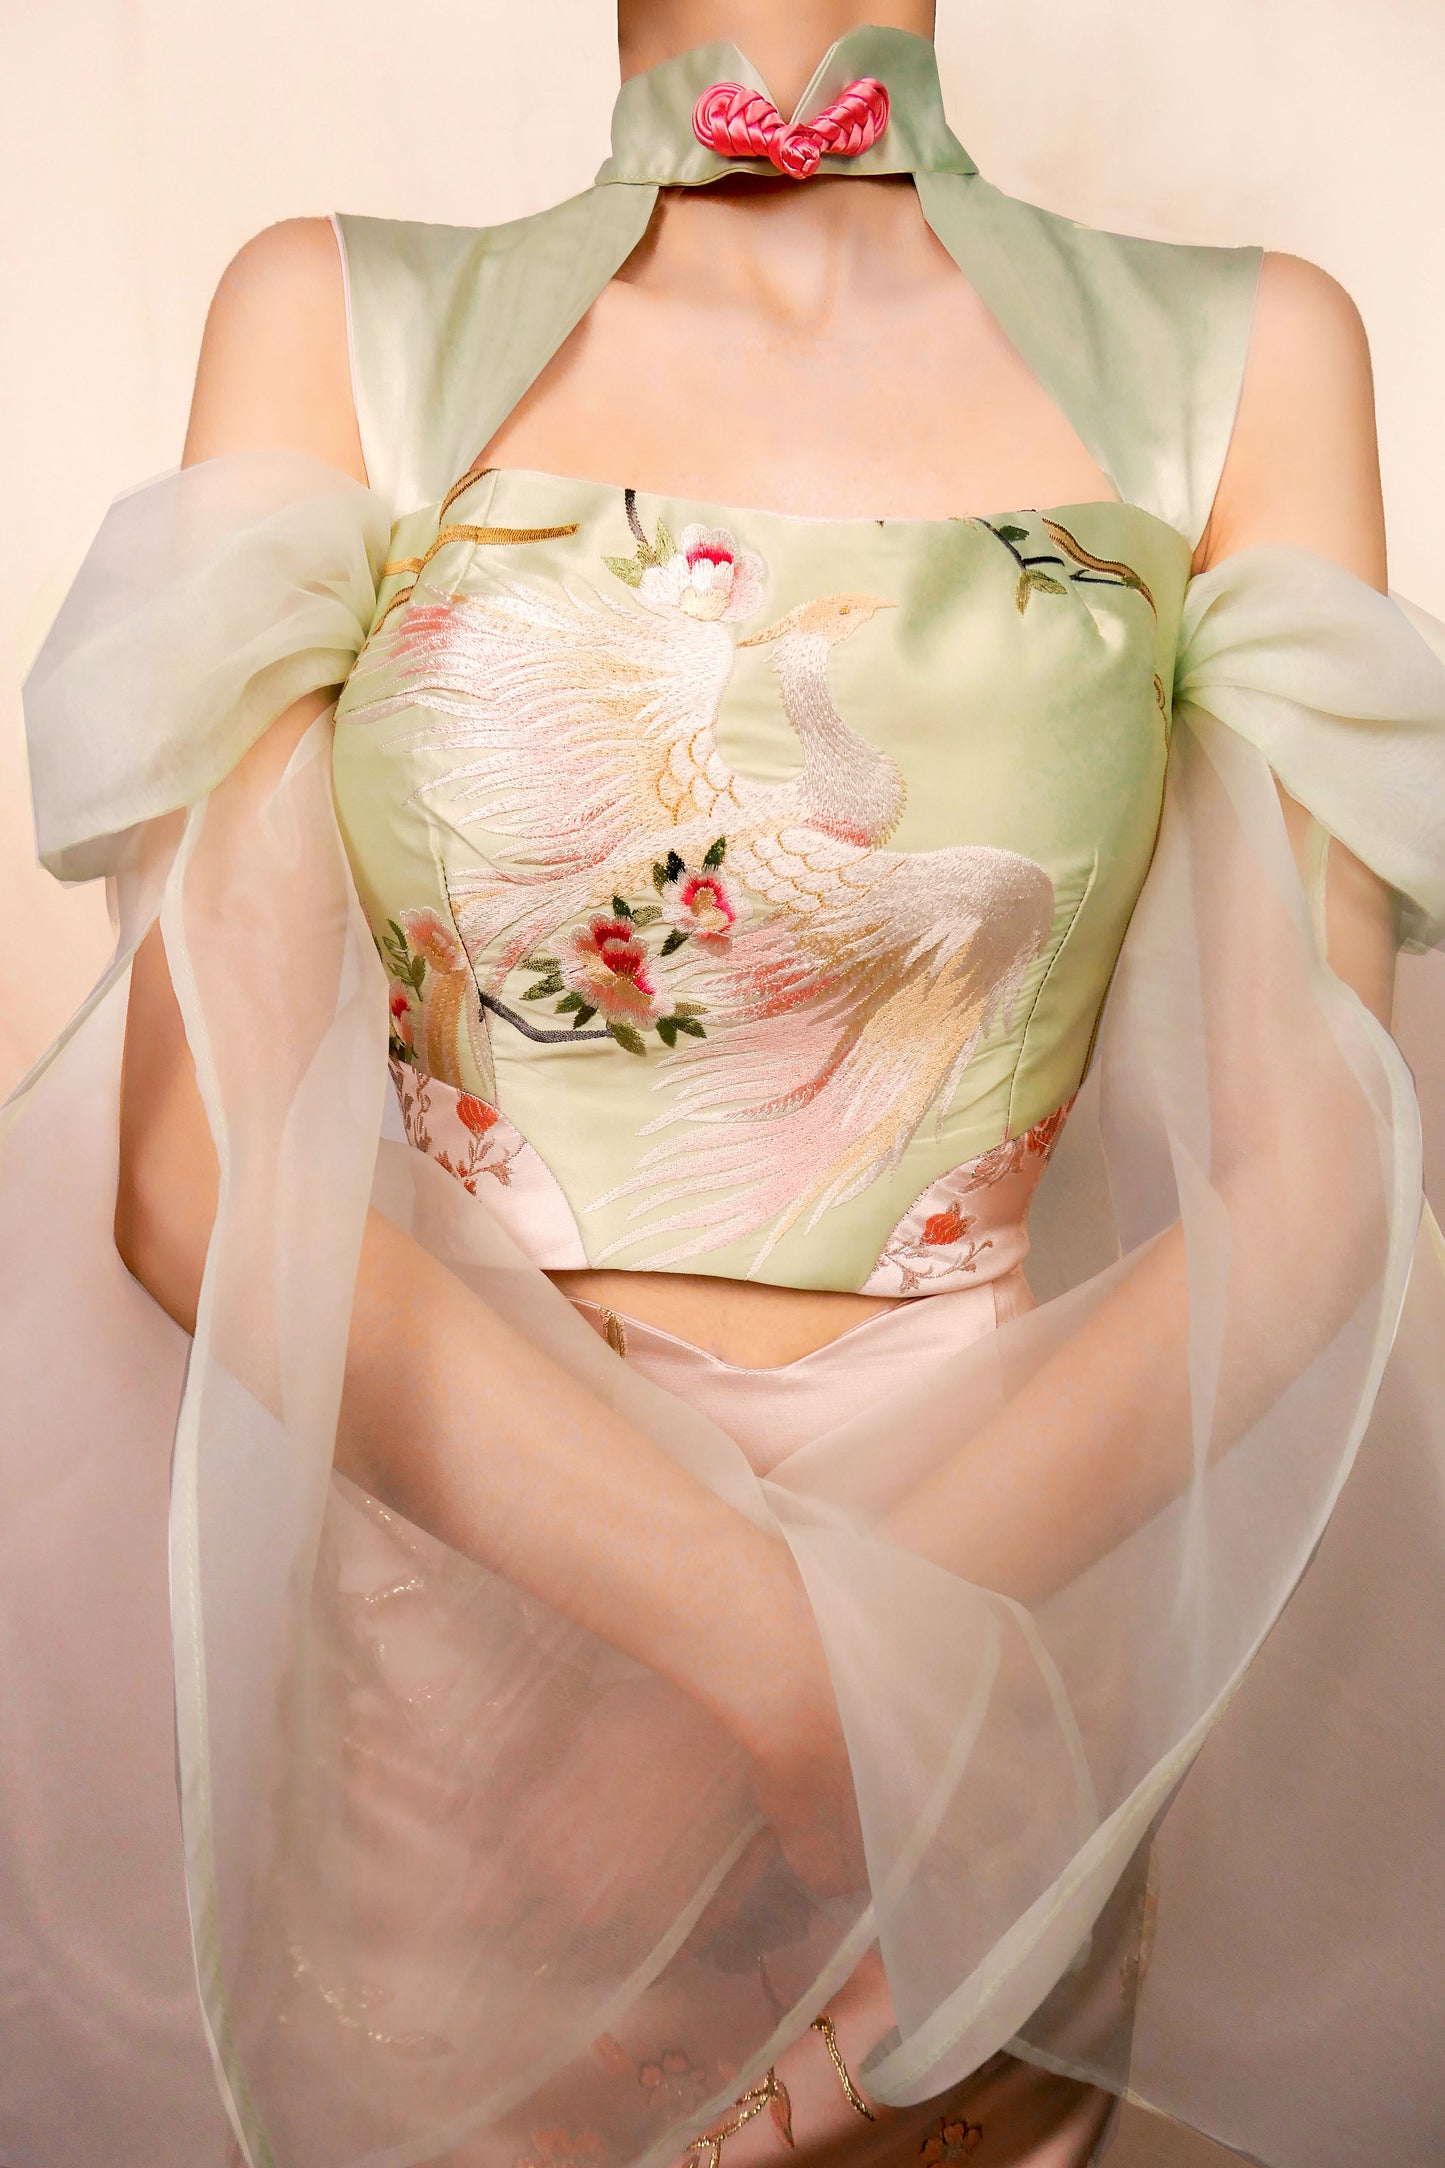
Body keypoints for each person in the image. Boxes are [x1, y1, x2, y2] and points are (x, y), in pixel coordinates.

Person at [5, 5, 1445, 2166]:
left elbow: (1316, 1177)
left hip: (984, 1627)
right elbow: (193, 1166)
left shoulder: (1234, 364)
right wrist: (770, 1658)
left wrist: (792, 1698)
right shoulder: (344, 330)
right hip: (469, 1661)